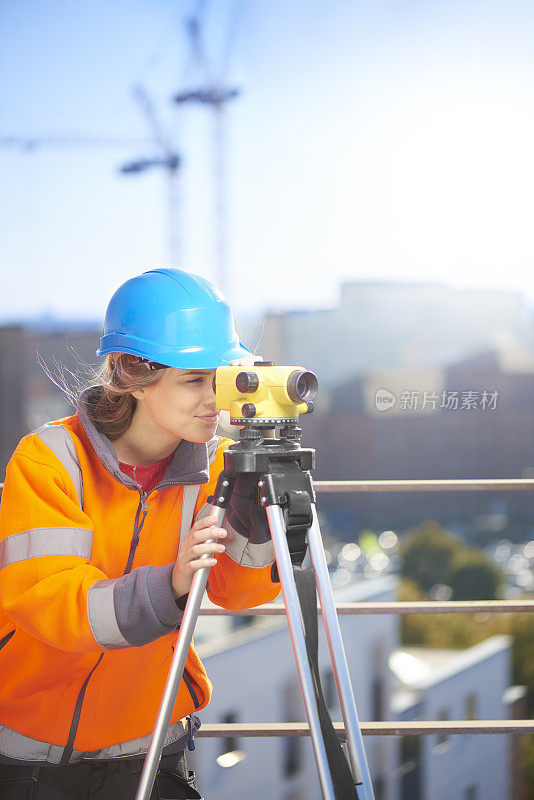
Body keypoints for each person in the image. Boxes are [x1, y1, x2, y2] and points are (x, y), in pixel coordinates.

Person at [0, 268, 281, 799]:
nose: (212, 399)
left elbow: (241, 591)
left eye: (218, 378)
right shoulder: (52, 460)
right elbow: (54, 605)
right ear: (131, 374)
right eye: (193, 379)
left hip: (154, 741)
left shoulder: (222, 466)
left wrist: (252, 492)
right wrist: (170, 584)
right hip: (28, 749)